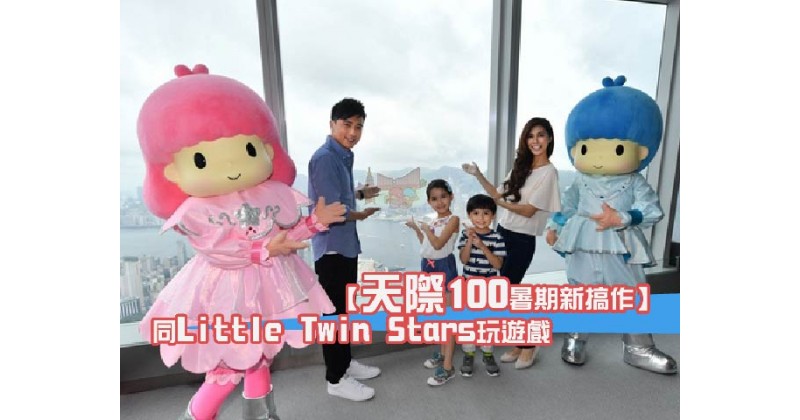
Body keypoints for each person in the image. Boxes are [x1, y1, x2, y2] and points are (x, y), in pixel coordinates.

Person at [136, 64, 346, 420]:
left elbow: (284, 239)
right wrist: (264, 249)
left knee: (259, 357)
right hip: (225, 293)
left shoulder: (265, 195)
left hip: (267, 287)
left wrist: (313, 222)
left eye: (249, 149)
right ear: (170, 170)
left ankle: (261, 414)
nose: (233, 166)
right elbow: (218, 251)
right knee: (227, 367)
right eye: (201, 158)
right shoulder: (200, 211)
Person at [545, 75, 677, 374]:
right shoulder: (580, 180)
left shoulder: (635, 181)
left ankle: (638, 346)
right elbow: (566, 205)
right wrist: (554, 226)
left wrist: (624, 217)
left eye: (617, 149)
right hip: (583, 242)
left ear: (641, 151)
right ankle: (575, 337)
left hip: (620, 244)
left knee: (632, 291)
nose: (598, 158)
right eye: (586, 149)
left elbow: (652, 210)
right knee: (580, 291)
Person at [461, 117, 561, 369]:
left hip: (521, 240)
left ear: (549, 138)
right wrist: (478, 175)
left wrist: (499, 203)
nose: (535, 141)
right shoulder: (521, 168)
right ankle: (519, 343)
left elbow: (528, 211)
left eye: (540, 135)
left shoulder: (549, 173)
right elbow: (497, 194)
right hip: (502, 233)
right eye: (530, 136)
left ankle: (529, 343)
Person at [308, 97, 382, 401]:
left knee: (342, 311)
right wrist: (360, 214)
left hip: (344, 246)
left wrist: (361, 194)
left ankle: (345, 363)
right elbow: (332, 208)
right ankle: (335, 379)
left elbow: (340, 193)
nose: (353, 132)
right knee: (334, 314)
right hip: (332, 249)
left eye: (358, 127)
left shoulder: (341, 156)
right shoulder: (326, 158)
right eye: (347, 125)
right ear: (332, 124)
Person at [404, 179, 461, 386]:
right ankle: (442, 354)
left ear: (451, 197)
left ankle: (448, 367)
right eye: (434, 199)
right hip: (428, 266)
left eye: (443, 197)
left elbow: (438, 245)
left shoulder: (453, 219)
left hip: (444, 266)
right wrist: (417, 229)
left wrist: (426, 229)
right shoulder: (435, 220)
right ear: (429, 202)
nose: (440, 202)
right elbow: (427, 246)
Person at [456, 194, 507, 377]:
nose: (481, 218)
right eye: (476, 213)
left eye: (486, 213)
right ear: (469, 215)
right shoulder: (465, 235)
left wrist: (483, 246)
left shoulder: (497, 237)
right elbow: (464, 260)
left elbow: (498, 265)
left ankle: (487, 354)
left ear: (492, 215)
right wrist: (470, 241)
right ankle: (468, 354)